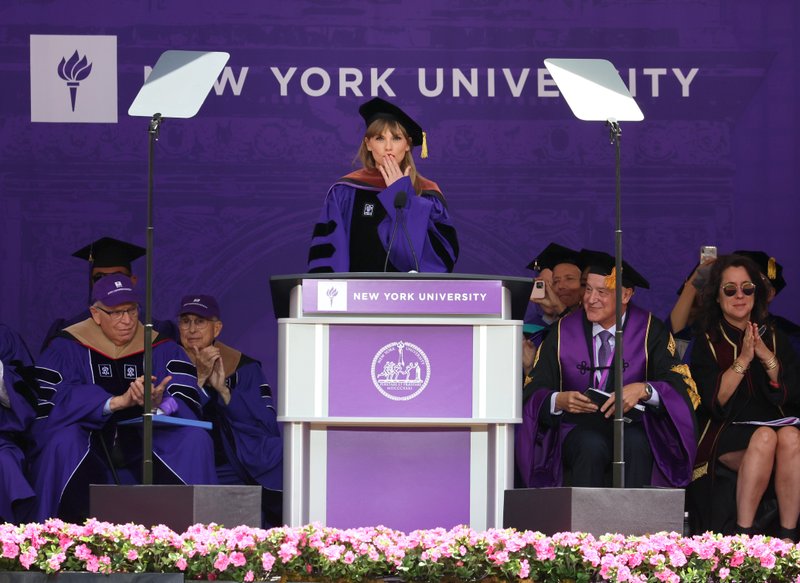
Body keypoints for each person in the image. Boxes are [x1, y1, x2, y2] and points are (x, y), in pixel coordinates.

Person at [27, 274, 216, 523]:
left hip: (145, 439)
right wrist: (114, 402)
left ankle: (194, 539)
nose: (127, 320)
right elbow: (54, 399)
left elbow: (182, 389)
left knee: (195, 439)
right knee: (62, 442)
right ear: (96, 314)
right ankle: (64, 539)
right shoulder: (67, 346)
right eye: (116, 313)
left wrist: (161, 404)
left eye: (132, 310)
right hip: (89, 437)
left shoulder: (160, 345)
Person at [516, 250, 699, 489]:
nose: (591, 299)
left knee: (634, 442)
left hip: (634, 425)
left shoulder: (649, 330)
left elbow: (679, 383)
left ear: (625, 294)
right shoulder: (563, 331)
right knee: (590, 445)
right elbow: (534, 388)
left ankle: (636, 526)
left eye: (602, 291)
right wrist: (557, 400)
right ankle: (584, 526)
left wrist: (644, 390)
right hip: (577, 427)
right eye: (588, 289)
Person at [689, 254, 800, 540]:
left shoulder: (775, 336)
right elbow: (714, 400)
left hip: (776, 426)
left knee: (789, 437)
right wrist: (744, 359)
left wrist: (764, 355)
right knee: (765, 437)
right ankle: (743, 534)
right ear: (717, 296)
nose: (740, 295)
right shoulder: (707, 341)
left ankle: (789, 535)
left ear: (756, 293)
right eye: (730, 289)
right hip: (728, 431)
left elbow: (791, 391)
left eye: (747, 288)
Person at [307, 97, 459, 273]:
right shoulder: (345, 192)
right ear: (368, 144)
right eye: (379, 138)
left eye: (396, 138)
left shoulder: (426, 193)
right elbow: (329, 260)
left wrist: (400, 193)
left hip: (409, 298)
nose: (388, 147)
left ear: (408, 144)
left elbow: (424, 262)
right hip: (356, 298)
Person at [177, 294, 283, 526]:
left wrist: (225, 392)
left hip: (237, 460)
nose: (192, 329)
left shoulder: (242, 366)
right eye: (186, 321)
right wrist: (200, 379)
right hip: (185, 458)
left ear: (217, 328)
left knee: (289, 451)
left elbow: (266, 422)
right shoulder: (168, 361)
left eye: (200, 321)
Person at [41, 236, 178, 351]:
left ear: (133, 281)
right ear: (91, 283)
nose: (109, 283)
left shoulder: (158, 332)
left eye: (118, 277)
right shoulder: (69, 332)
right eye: (100, 278)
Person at [523, 243, 586, 378]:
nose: (553, 289)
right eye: (542, 285)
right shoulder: (527, 332)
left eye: (551, 284)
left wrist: (559, 307)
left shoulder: (594, 323)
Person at [0, 323, 38, 522]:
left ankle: (9, 543)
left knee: (5, 462)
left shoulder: (5, 337)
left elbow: (29, 394)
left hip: (1, 439)